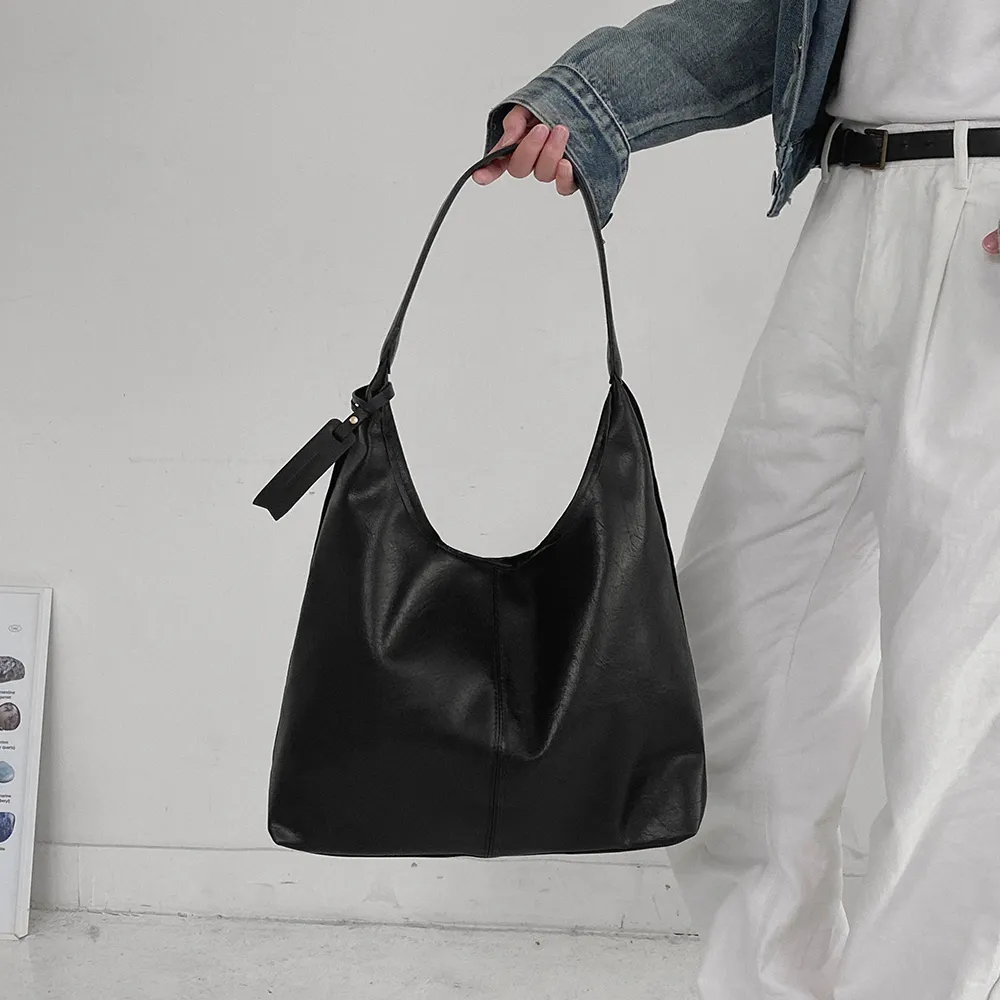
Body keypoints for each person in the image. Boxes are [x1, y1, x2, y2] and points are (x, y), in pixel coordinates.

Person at [474, 3, 1000, 1000]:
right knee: (736, 651)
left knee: (958, 707)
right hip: (850, 203)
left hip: (987, 233)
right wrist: (587, 101)